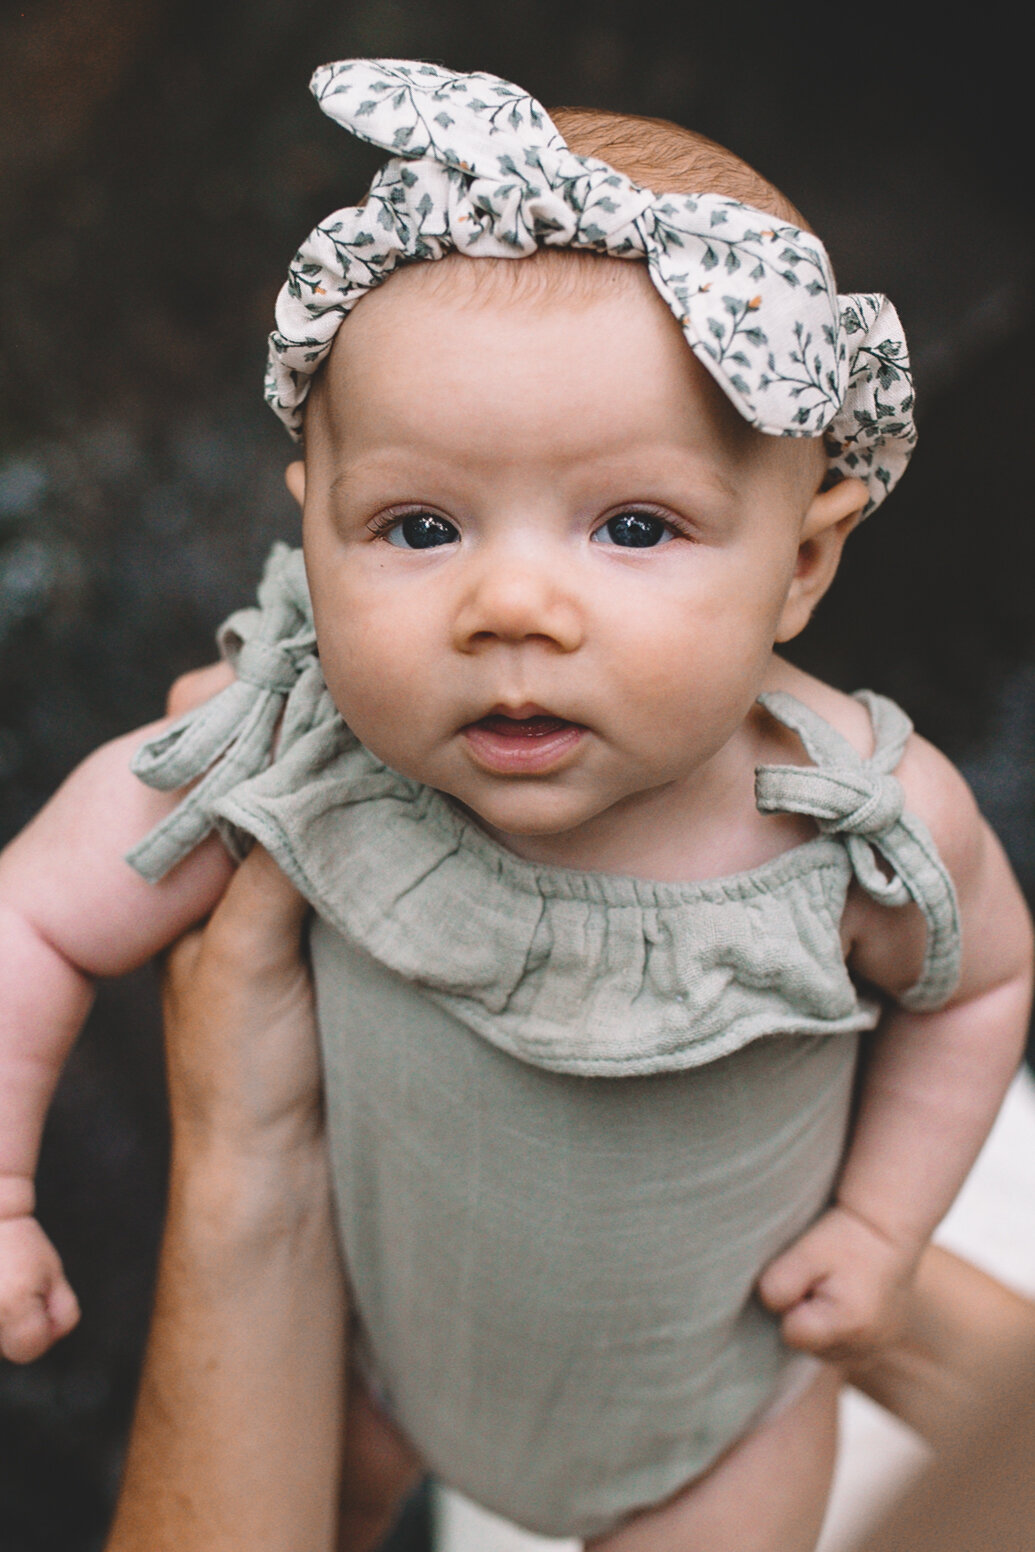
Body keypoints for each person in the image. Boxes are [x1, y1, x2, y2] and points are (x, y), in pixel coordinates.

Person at [0, 57, 1032, 1550]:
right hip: (385, 1361)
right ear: (309, 516)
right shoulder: (292, 742)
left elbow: (979, 983)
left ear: (803, 564)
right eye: (419, 527)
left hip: (711, 1425)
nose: (512, 605)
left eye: (633, 526)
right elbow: (32, 910)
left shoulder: (851, 819)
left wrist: (881, 1226)